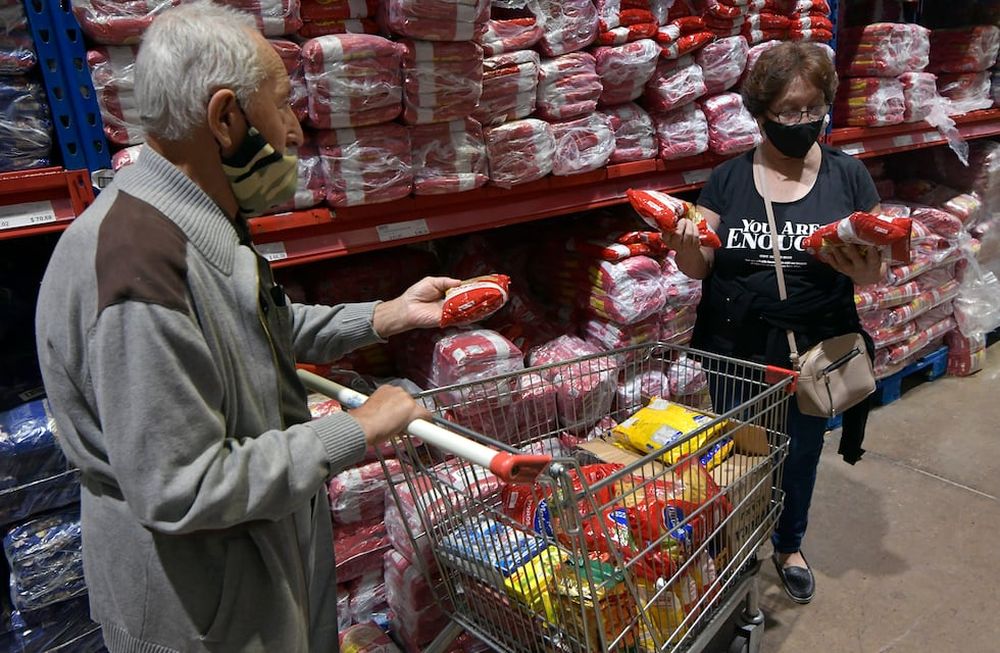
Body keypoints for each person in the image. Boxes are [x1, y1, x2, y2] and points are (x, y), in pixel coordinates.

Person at [34, 3, 459, 651]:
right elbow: (182, 485)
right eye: (283, 105)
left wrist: (387, 316)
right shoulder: (142, 265)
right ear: (226, 119)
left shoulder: (187, 220)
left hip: (242, 580)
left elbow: (249, 329)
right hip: (200, 610)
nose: (296, 130)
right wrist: (358, 427)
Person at [664, 42, 882, 605]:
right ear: (760, 113)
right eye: (788, 112)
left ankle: (789, 543)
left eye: (813, 109)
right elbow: (700, 264)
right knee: (743, 450)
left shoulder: (848, 176)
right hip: (736, 344)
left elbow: (875, 265)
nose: (802, 122)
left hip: (815, 348)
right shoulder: (728, 180)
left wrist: (865, 265)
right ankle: (738, 542)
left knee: (802, 450)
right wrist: (683, 244)